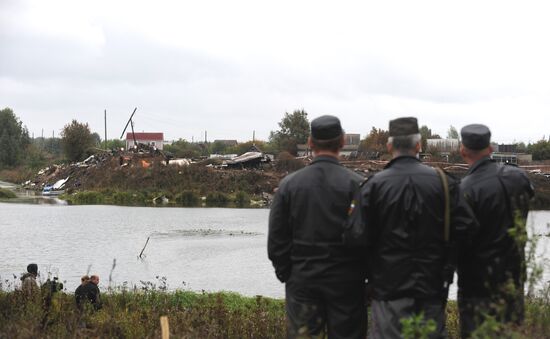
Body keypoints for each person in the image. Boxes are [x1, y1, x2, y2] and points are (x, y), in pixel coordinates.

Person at [350, 117, 478, 338]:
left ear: (389, 146)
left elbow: (355, 237)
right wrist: (448, 264)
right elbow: (468, 230)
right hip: (432, 287)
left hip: (387, 290)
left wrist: (368, 278)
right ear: (419, 145)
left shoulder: (373, 186)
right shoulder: (444, 183)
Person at [268, 115, 367, 338]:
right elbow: (368, 238)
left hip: (303, 282)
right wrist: (363, 278)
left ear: (310, 143)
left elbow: (276, 241)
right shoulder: (358, 185)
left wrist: (289, 276)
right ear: (342, 141)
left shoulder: (289, 185)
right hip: (347, 285)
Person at [457, 124, 534, 338]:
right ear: (490, 148)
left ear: (463, 151)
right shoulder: (519, 178)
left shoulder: (465, 189)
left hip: (478, 284)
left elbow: (461, 240)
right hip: (513, 276)